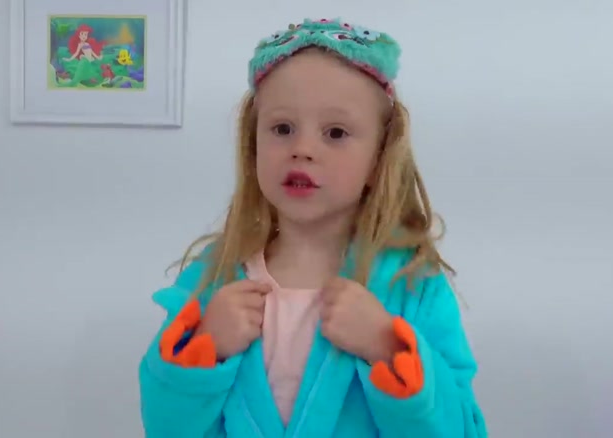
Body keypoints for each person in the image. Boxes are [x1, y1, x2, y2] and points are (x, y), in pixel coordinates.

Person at [138, 17, 487, 438]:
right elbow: (165, 426)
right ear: (253, 145)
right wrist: (205, 348)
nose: (302, 149)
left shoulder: (412, 284)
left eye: (335, 133)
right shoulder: (213, 276)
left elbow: (462, 429)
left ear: (378, 158)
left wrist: (387, 347)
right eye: (282, 128)